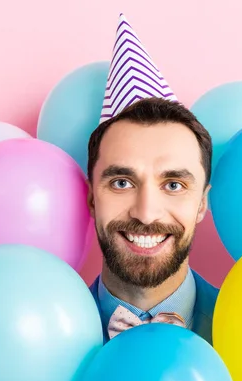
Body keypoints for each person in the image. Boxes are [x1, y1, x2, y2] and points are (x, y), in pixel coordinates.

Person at [86, 97, 219, 345]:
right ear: (92, 198)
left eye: (173, 185)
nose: (146, 214)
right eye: (121, 183)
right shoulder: (41, 336)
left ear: (201, 204)